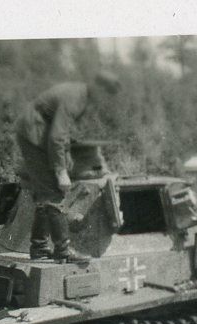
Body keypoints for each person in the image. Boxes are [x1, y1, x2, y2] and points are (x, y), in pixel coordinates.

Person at [15, 71, 121, 260]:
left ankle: (39, 247)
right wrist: (61, 171)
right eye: (106, 95)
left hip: (37, 130)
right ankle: (63, 250)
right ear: (98, 88)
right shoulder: (75, 98)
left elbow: (61, 133)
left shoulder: (80, 94)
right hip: (34, 133)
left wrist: (66, 157)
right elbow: (57, 136)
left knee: (45, 195)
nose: (105, 101)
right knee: (55, 191)